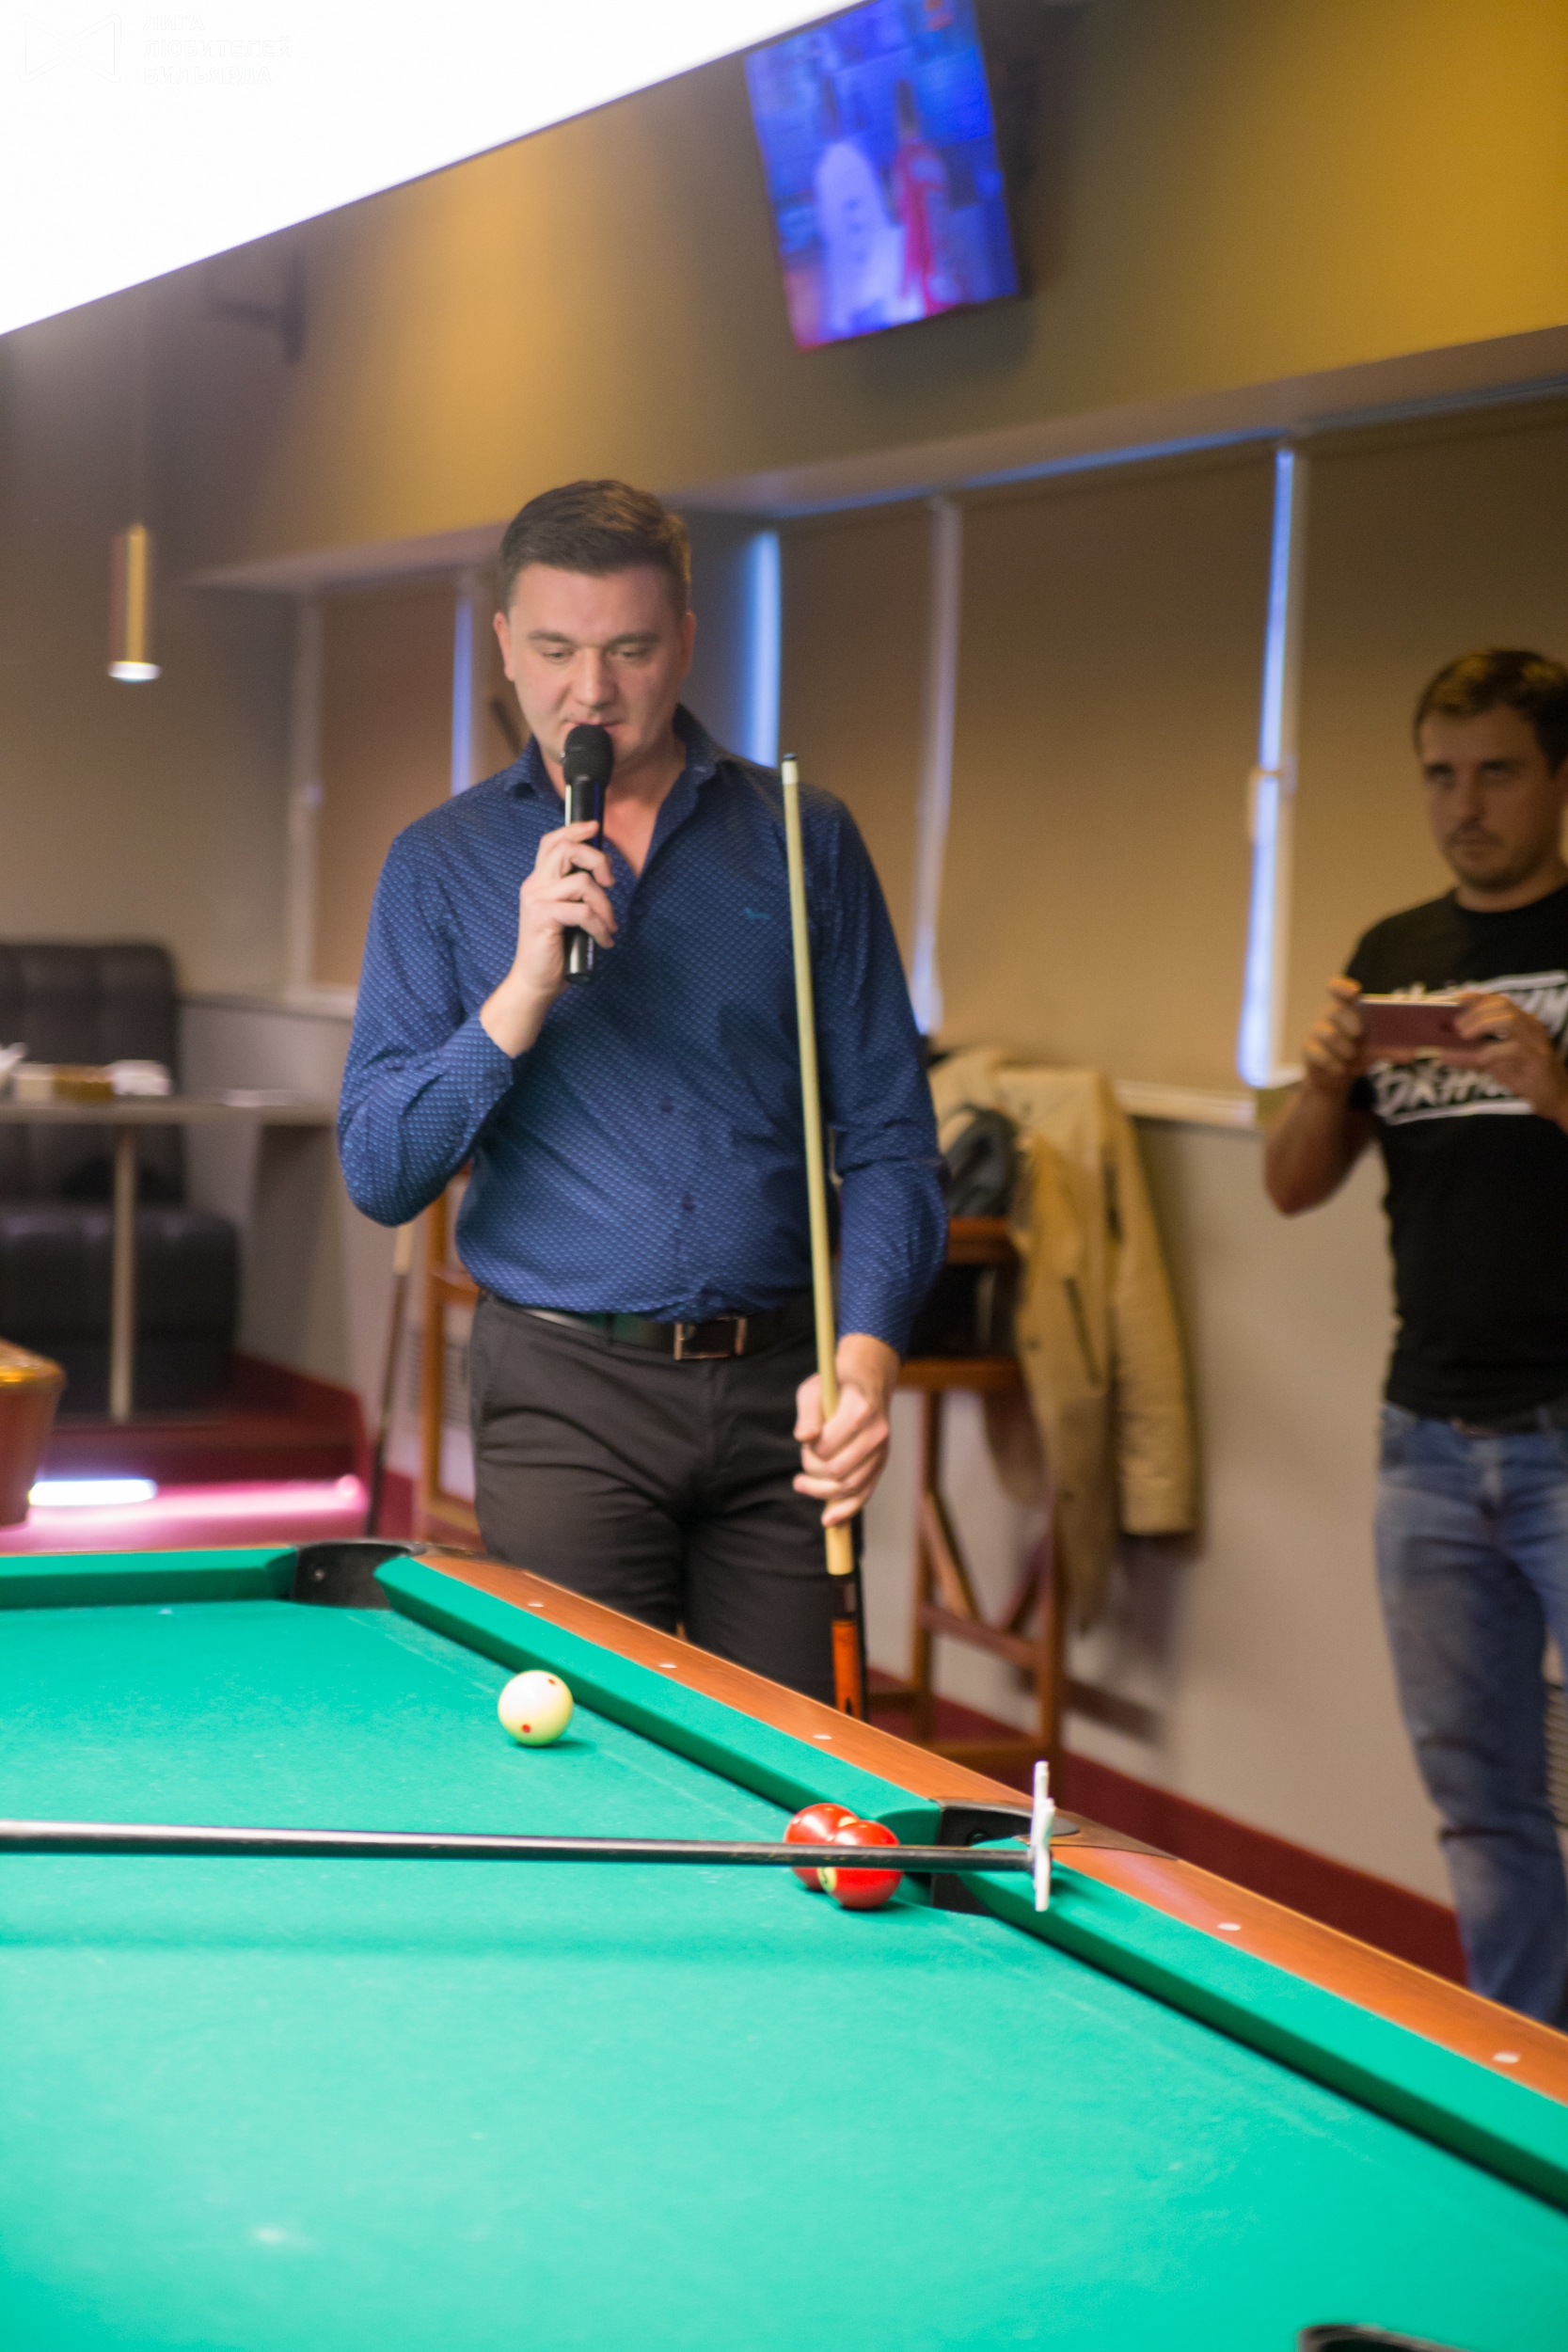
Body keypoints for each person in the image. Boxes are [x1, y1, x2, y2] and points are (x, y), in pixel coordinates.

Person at [339, 479, 945, 1704]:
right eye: (556, 650)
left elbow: (891, 1139)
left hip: (785, 1397)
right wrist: (520, 991)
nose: (592, 692)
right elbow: (382, 1173)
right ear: (505, 644)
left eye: (628, 649)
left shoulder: (802, 836)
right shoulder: (439, 863)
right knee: (585, 1752)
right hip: (564, 1395)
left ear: (686, 641)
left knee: (801, 1772)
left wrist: (867, 1365)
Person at [1265, 646, 1568, 2024]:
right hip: (1427, 1444)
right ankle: (1531, 2070)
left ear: (1557, 780)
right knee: (1483, 1804)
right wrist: (1320, 1084)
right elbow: (1292, 1186)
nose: (1465, 805)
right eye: (1442, 776)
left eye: (1497, 772)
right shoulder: (1394, 955)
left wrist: (1554, 1088)